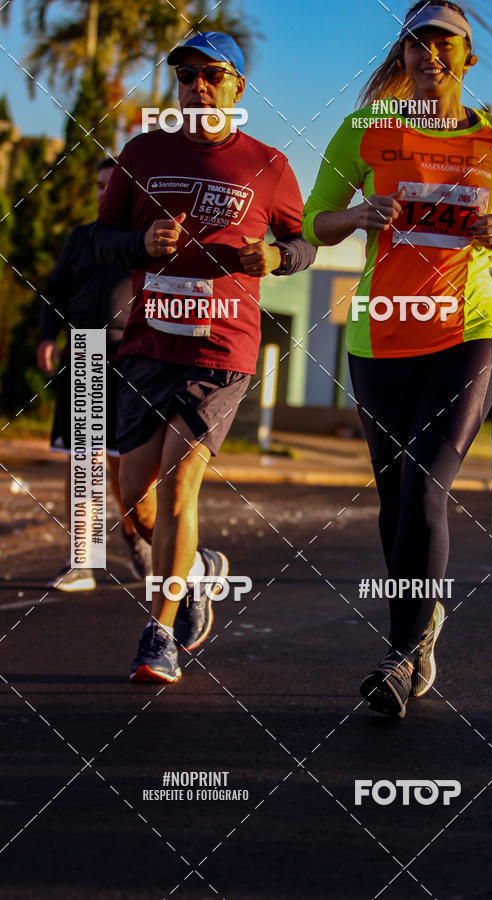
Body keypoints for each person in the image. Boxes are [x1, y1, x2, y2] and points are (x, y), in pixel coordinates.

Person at [302, 1, 492, 718]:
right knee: (394, 495)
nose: (429, 55)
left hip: (466, 330)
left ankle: (401, 656)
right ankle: (422, 618)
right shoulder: (366, 130)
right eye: (416, 43)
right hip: (380, 332)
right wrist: (356, 216)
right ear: (402, 55)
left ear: (467, 58)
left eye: (444, 43)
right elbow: (316, 220)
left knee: (425, 488)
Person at [91, 32, 316, 683]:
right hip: (149, 343)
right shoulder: (143, 152)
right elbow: (101, 239)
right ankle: (197, 570)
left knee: (178, 483)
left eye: (212, 75)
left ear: (237, 86)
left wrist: (275, 257)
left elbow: (303, 244)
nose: (197, 87)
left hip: (222, 347)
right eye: (186, 76)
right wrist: (140, 242)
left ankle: (158, 634)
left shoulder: (268, 165)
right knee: (134, 500)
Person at [38, 158, 152, 592]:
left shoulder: (148, 239)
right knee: (84, 460)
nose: (105, 192)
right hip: (84, 350)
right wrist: (47, 337)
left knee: (127, 468)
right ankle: (83, 560)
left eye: (112, 185)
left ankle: (136, 537)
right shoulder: (82, 238)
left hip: (134, 358)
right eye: (100, 185)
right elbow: (54, 291)